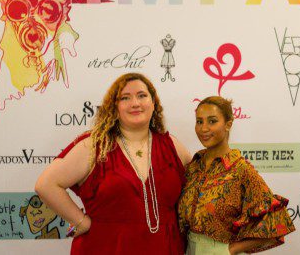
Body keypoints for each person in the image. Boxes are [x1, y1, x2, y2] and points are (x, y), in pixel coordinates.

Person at [35, 73, 191, 254]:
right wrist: (81, 222)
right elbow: (46, 184)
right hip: (106, 246)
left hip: (164, 248)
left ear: (153, 103)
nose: (135, 103)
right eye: (125, 98)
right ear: (114, 108)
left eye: (142, 95)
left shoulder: (172, 146)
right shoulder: (94, 145)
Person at [178, 96, 295, 254]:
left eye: (212, 121)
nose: (203, 128)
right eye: (199, 121)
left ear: (228, 124)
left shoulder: (240, 170)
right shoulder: (193, 166)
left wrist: (229, 250)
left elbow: (277, 225)